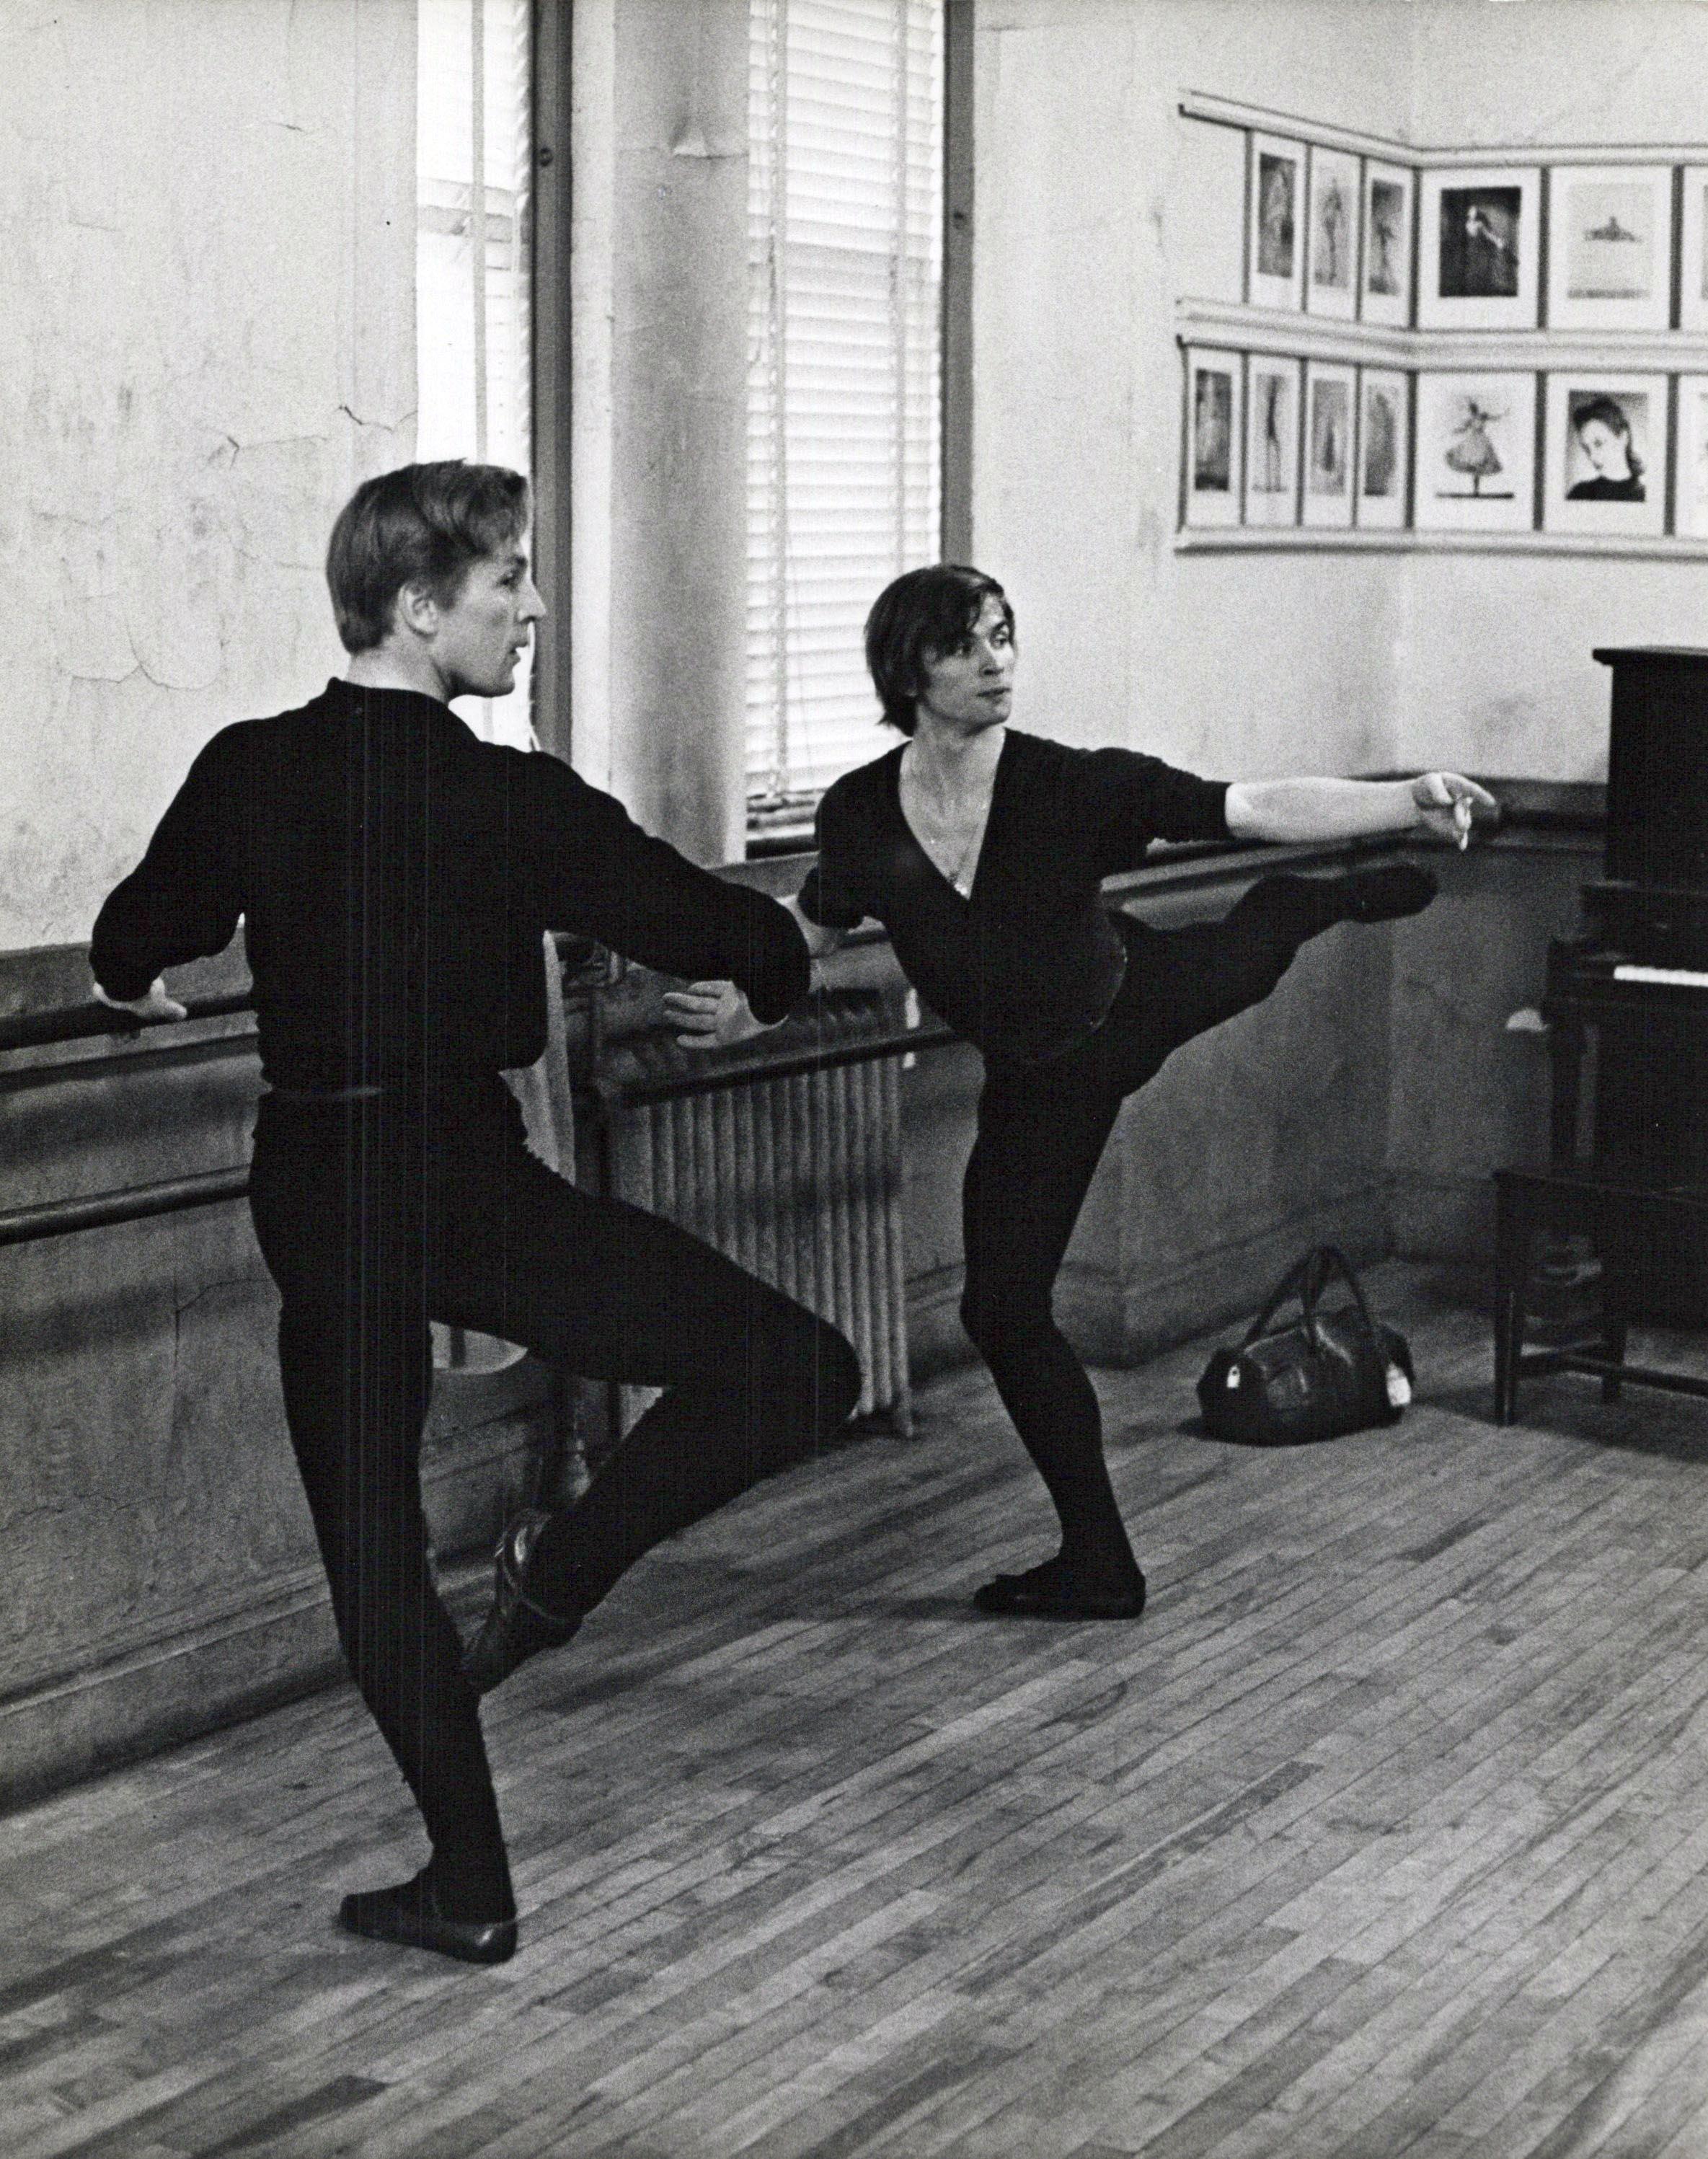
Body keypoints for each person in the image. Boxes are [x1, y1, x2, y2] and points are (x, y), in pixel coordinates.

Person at [90, 462, 860, 1967]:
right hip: (461, 1177)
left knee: (370, 1542)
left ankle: (468, 1879)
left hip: (324, 1182)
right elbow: (735, 932)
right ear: (415, 602)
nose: (531, 606)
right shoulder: (512, 798)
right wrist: (747, 992)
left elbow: (140, 932)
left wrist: (132, 985)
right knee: (794, 1368)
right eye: (508, 577)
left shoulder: (253, 768)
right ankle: (560, 1579)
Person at [668, 565, 1495, 1625]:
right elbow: (815, 923)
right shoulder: (861, 810)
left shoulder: (1072, 785)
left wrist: (1403, 799)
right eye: (966, 644)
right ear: (907, 668)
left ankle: (1302, 906)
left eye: (1005, 636)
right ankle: (1099, 1562)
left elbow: (1243, 804)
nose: (996, 661)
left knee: (1253, 939)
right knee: (1000, 1310)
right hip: (1038, 1076)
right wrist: (753, 1007)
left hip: (1129, 1001)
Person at [1566, 394, 1645, 502]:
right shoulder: (1579, 493)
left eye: (1598, 443)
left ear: (1623, 437)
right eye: (1587, 448)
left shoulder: (1646, 496)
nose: (1593, 457)